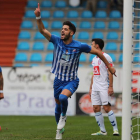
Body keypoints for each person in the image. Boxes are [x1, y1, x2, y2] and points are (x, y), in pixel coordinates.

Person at [34, 3, 116, 139]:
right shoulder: (56, 40)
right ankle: (59, 130)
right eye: (62, 29)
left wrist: (109, 66)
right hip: (58, 80)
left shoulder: (79, 46)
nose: (62, 31)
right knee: (57, 107)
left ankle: (63, 117)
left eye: (65, 29)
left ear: (71, 33)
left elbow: (99, 53)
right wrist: (38, 17)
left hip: (72, 80)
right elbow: (42, 30)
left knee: (62, 98)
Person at [89, 38, 119, 136]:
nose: (91, 46)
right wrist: (90, 87)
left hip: (103, 86)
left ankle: (115, 130)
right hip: (95, 87)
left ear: (97, 46)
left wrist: (110, 86)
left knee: (106, 108)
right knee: (96, 108)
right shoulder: (94, 59)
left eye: (92, 44)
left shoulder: (106, 57)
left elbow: (110, 71)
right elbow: (94, 74)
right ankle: (102, 131)